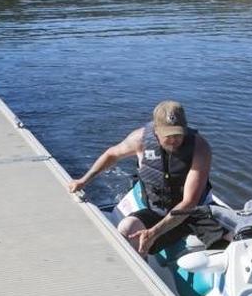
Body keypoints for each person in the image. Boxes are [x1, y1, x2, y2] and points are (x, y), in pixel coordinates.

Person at [68, 100, 224, 255]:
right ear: (156, 130)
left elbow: (189, 202)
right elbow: (112, 155)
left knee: (227, 241)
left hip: (192, 213)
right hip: (156, 209)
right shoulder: (140, 140)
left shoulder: (200, 148)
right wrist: (84, 180)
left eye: (178, 134)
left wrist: (154, 232)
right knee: (127, 228)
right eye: (168, 135)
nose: (173, 140)